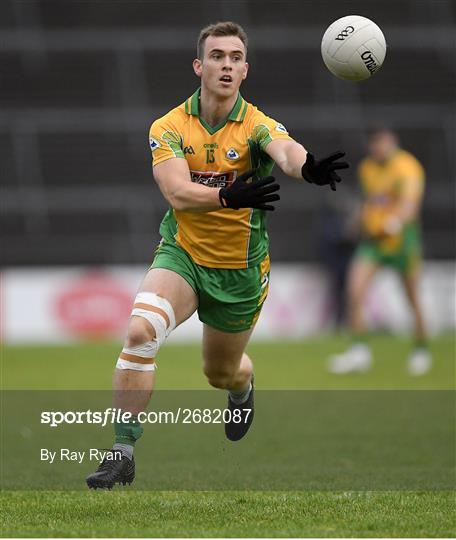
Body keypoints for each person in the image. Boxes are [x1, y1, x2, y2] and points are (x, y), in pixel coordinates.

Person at [87, 21, 348, 489]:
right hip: (183, 254)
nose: (226, 65)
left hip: (240, 271)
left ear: (245, 70)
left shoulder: (255, 125)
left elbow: (285, 150)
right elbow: (177, 192)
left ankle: (243, 388)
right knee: (140, 329)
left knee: (220, 372)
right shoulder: (168, 126)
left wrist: (307, 168)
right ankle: (122, 451)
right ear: (199, 66)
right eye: (217, 56)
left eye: (234, 58)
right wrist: (228, 196)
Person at [328, 127, 431, 376]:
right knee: (354, 291)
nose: (378, 148)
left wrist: (392, 224)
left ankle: (420, 350)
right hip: (374, 241)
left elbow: (410, 206)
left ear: (391, 142)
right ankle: (359, 352)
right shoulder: (367, 168)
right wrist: (358, 221)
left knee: (412, 298)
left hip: (402, 241)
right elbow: (370, 202)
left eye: (382, 143)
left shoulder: (408, 167)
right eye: (374, 144)